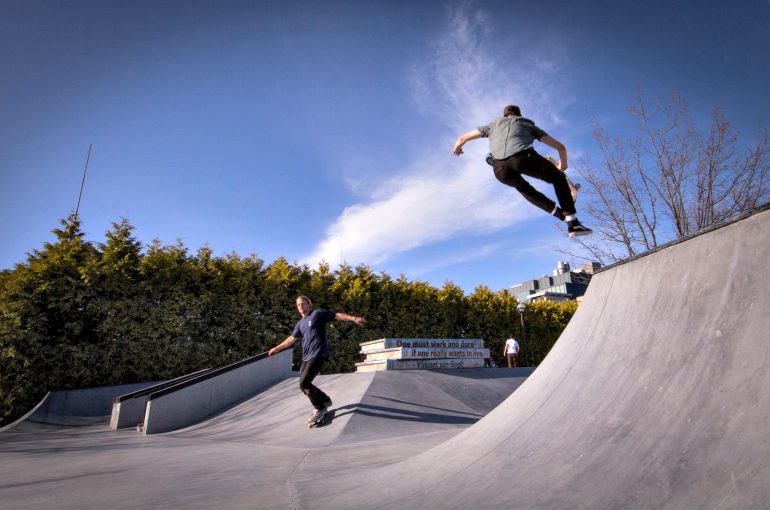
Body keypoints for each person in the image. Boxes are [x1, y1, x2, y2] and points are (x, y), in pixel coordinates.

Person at [453, 104, 592, 237]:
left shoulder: (492, 125)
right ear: (519, 114)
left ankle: (561, 215)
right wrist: (563, 165)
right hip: (523, 158)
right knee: (558, 179)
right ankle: (573, 222)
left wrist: (458, 147)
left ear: (504, 115)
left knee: (523, 188)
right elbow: (560, 147)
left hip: (500, 169)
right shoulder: (527, 124)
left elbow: (462, 138)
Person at [268, 295, 366, 423]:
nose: (301, 306)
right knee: (303, 385)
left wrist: (354, 318)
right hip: (306, 357)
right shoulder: (300, 323)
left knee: (304, 383)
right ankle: (325, 400)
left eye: (303, 304)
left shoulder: (317, 314)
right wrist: (277, 348)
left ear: (309, 304)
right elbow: (291, 339)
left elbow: (337, 315)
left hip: (319, 354)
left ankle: (319, 408)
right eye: (298, 305)